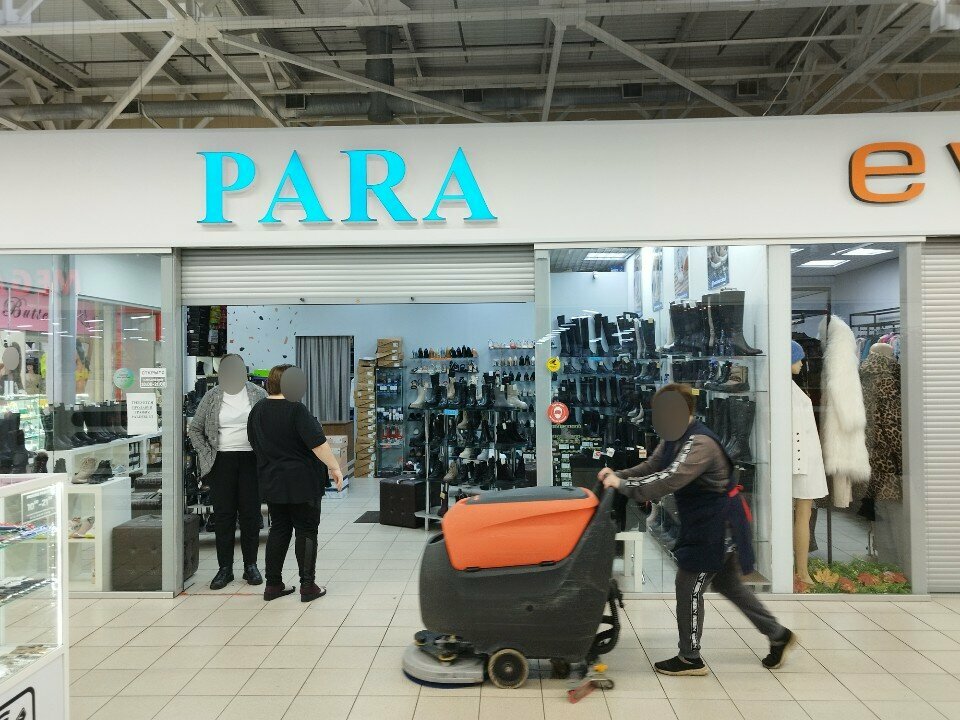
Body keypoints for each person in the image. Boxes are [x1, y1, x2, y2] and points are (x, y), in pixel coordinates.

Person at [599, 383, 795, 676]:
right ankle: (778, 634)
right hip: (703, 522)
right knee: (728, 584)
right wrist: (619, 475)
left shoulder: (700, 443)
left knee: (688, 585)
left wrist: (624, 485)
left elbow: (669, 478)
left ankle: (690, 657)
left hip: (716, 526)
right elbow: (653, 466)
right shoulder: (674, 437)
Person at [247, 364, 344, 602]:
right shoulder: (296, 409)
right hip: (303, 482)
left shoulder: (257, 410)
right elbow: (318, 444)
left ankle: (273, 585)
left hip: (272, 481)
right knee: (306, 530)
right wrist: (335, 467)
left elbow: (254, 442)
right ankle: (308, 586)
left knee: (278, 529)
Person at [188, 354, 267, 590]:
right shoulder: (212, 396)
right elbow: (195, 429)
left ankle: (251, 566)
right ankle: (225, 569)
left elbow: (269, 424)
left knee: (250, 515)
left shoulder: (258, 394)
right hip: (221, 461)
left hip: (251, 460)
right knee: (224, 516)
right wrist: (207, 454)